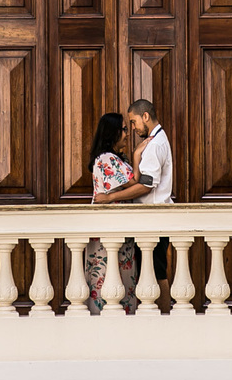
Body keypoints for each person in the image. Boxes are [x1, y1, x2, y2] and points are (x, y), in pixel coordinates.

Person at [94, 98, 173, 312]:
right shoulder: (150, 143)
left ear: (145, 117)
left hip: (153, 219)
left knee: (157, 273)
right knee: (150, 273)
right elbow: (138, 180)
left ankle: (164, 318)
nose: (131, 129)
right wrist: (137, 155)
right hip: (141, 222)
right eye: (126, 126)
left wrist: (109, 198)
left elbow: (145, 185)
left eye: (133, 121)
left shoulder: (155, 144)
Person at [84, 112, 137, 314]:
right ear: (113, 132)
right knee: (108, 282)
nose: (127, 134)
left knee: (118, 281)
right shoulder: (107, 159)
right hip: (110, 231)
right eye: (124, 129)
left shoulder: (114, 158)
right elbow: (137, 182)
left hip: (117, 229)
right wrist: (141, 152)